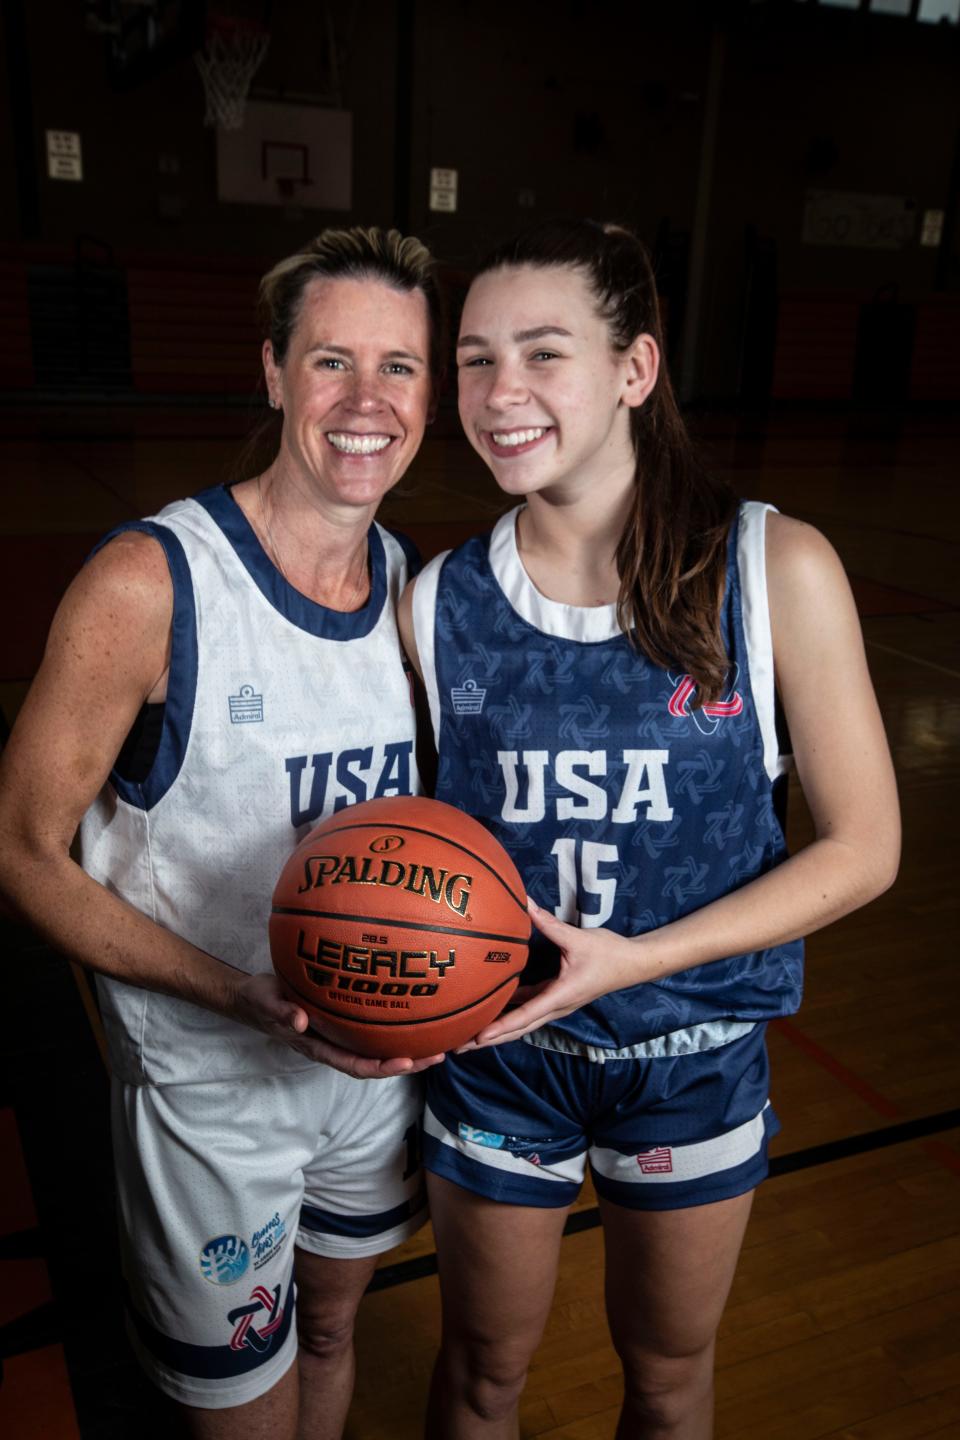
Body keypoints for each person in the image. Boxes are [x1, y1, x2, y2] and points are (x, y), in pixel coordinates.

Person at [398, 218, 900, 1439]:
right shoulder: (436, 603)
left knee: (669, 1387)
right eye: (472, 359)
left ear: (635, 369)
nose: (498, 392)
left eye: (542, 353)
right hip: (501, 1047)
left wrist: (641, 961)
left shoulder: (774, 569)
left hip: (691, 1050)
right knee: (479, 1377)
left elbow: (865, 846)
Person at [0, 226, 446, 1440]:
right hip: (211, 1090)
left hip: (370, 1074)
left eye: (400, 367)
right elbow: (21, 852)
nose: (368, 402)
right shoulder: (152, 586)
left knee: (340, 1331)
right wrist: (230, 989)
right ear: (271, 373)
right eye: (331, 363)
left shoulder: (415, 592)